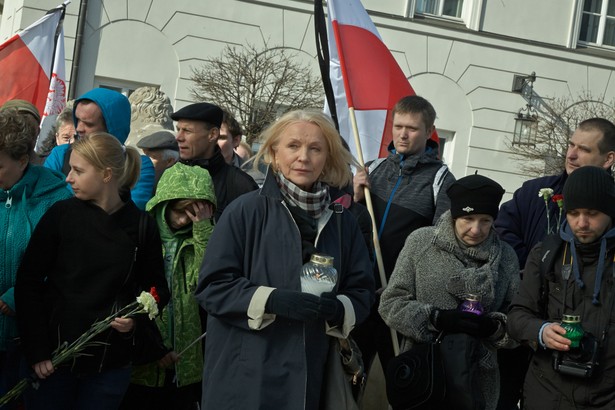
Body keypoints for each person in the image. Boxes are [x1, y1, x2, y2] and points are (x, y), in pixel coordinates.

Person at [195, 109, 375, 410]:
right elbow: (212, 286)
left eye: (315, 148)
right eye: (293, 146)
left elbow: (362, 292)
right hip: (247, 377)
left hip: (310, 377)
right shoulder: (245, 211)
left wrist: (338, 308)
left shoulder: (343, 222)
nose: (303, 156)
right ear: (274, 154)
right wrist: (271, 300)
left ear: (327, 159)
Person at [15, 132, 170, 410]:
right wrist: (37, 350)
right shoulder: (61, 215)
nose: (68, 178)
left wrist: (134, 318)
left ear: (106, 174)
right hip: (54, 360)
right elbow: (28, 283)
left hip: (109, 365)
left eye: (78, 171)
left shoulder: (141, 226)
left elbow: (157, 290)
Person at [493, 117, 615, 409]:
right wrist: (541, 329)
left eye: (583, 149)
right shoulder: (544, 243)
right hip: (544, 387)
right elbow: (519, 314)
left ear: (608, 158)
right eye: (574, 213)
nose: (582, 223)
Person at [379, 174, 519, 409]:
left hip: (479, 382)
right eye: (468, 218)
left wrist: (494, 327)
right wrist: (436, 318)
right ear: (454, 215)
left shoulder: (506, 257)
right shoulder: (421, 242)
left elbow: (517, 320)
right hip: (424, 375)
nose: (476, 229)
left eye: (485, 220)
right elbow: (390, 303)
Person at [351, 95, 456, 376]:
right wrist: (356, 197)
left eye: (411, 128)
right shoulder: (372, 167)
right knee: (346, 379)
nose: (402, 134)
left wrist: (404, 286)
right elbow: (350, 231)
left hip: (399, 302)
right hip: (359, 294)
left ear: (429, 131)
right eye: (398, 126)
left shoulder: (441, 180)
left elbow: (440, 247)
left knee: (398, 383)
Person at [121, 162, 216, 410]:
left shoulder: (199, 238)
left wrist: (203, 229)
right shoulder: (143, 236)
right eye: (180, 211)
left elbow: (207, 281)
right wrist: (156, 347)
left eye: (193, 214)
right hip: (145, 358)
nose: (185, 220)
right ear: (164, 204)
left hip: (185, 359)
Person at [0, 109, 72, 407]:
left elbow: (65, 263)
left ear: (22, 161)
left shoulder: (56, 199)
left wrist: (21, 296)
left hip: (26, 338)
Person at [43, 88, 156, 210]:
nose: (79, 128)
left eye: (89, 124)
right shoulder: (61, 153)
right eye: (78, 120)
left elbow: (133, 209)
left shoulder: (139, 164)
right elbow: (44, 197)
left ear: (112, 128)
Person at [171, 102, 257, 221]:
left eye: (187, 131)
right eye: (178, 129)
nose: (178, 137)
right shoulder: (168, 176)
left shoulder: (241, 185)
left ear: (212, 135)